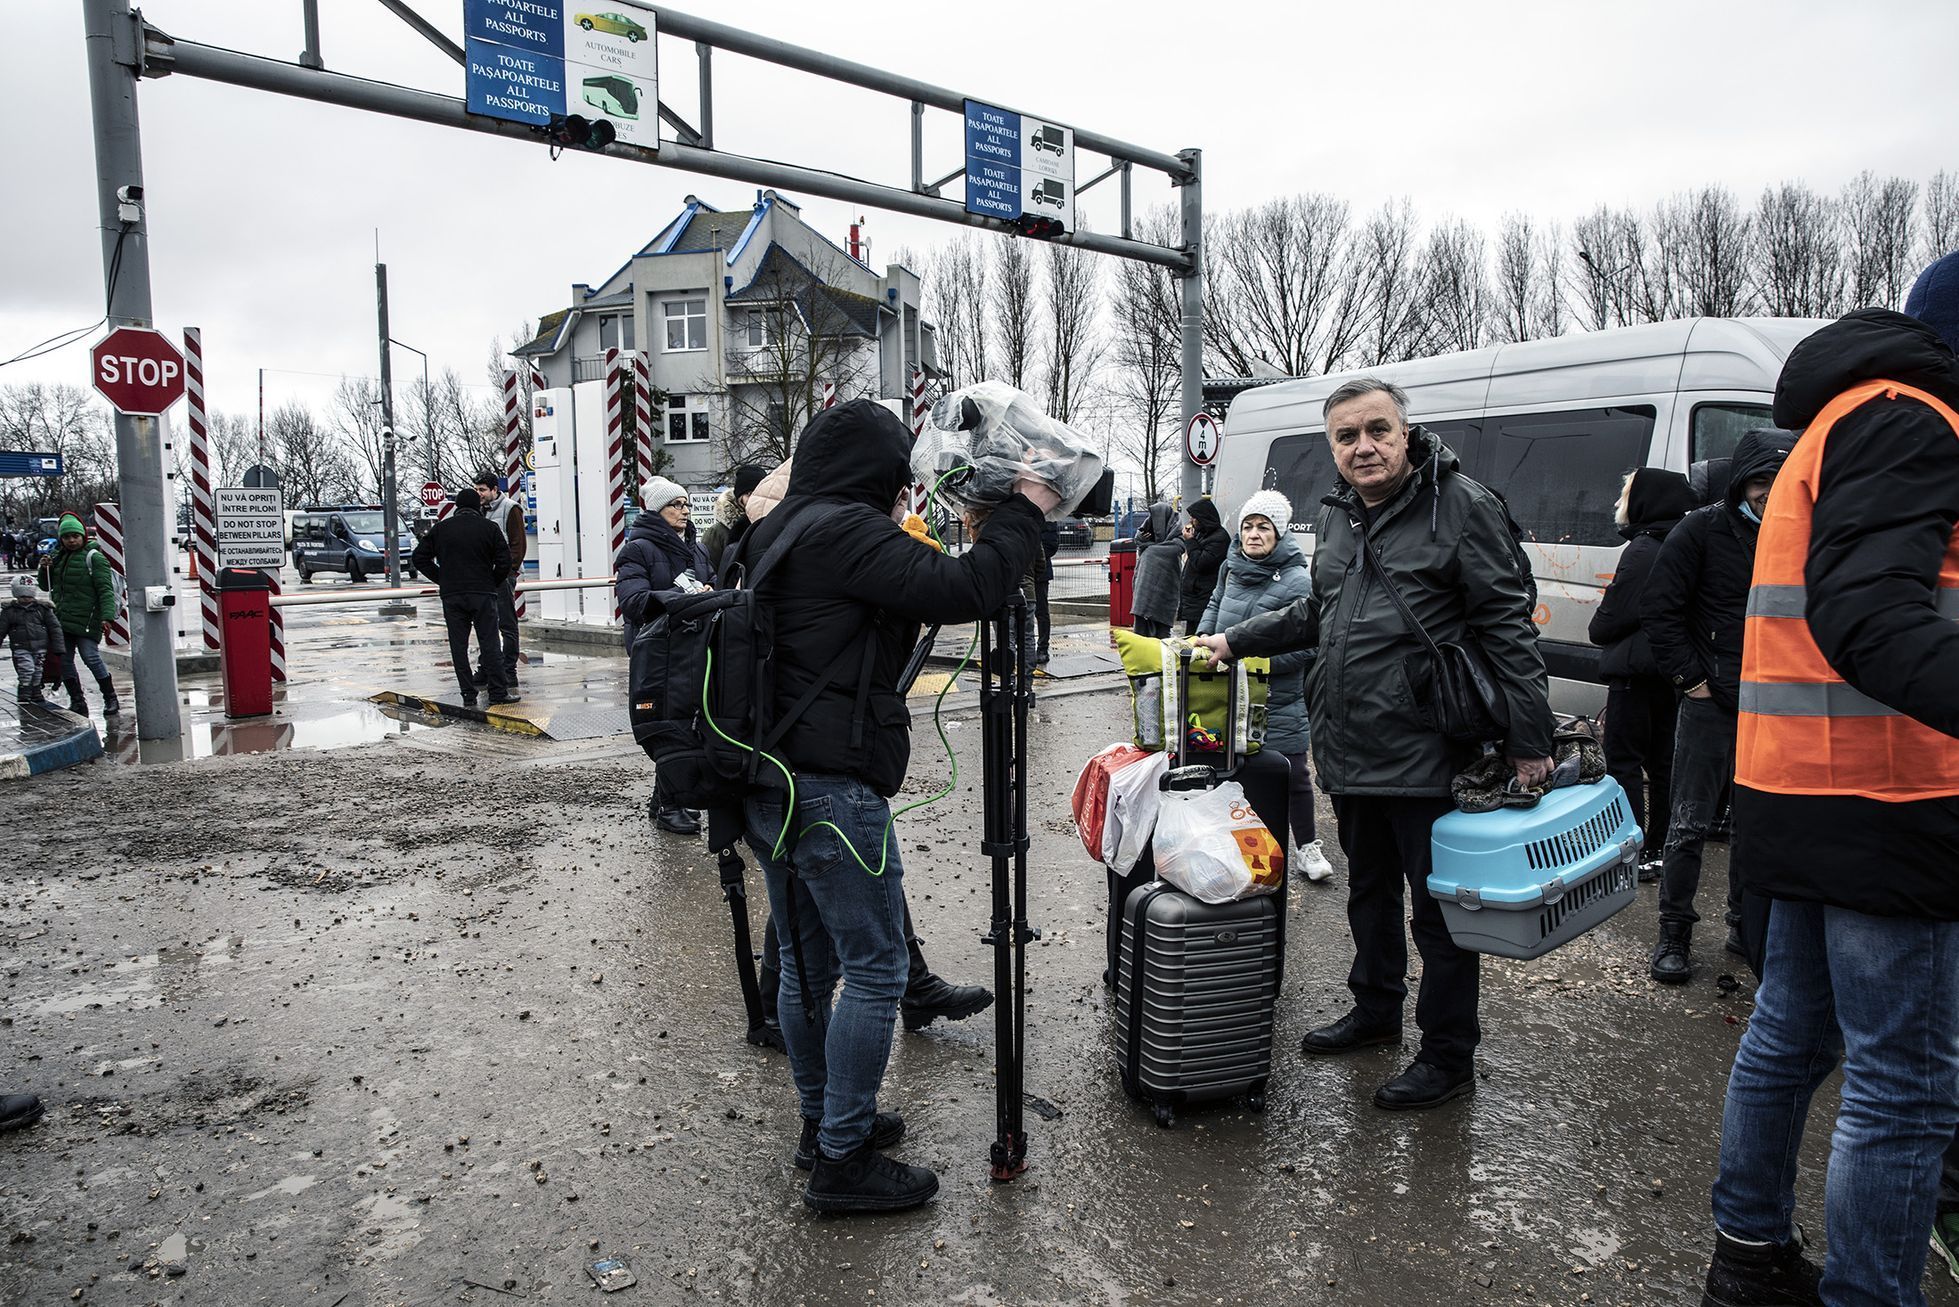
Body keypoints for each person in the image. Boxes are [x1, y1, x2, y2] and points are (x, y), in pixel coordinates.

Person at [1695, 278, 1959, 1305]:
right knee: (1902, 1087)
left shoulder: (1836, 421)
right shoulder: (1914, 420)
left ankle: (1748, 1259)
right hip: (1891, 794)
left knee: (1791, 1035)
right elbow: (1871, 620)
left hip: (1793, 783)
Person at [1193, 378, 1553, 1112]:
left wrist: (1527, 741)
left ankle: (1448, 1053)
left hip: (1429, 750)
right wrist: (1232, 638)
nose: (1363, 446)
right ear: (1332, 447)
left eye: (1376, 430)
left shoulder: (1460, 506)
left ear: (1405, 432)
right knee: (1367, 892)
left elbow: (1508, 629)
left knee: (1439, 913)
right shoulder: (1338, 517)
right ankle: (1375, 1009)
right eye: (1346, 435)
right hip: (1352, 749)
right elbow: (1318, 610)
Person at [738, 398, 1048, 1213]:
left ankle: (823, 1126)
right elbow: (970, 586)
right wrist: (1021, 509)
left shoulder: (775, 530)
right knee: (873, 969)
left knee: (807, 964)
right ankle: (842, 1159)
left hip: (769, 783)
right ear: (879, 469)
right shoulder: (844, 528)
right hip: (834, 788)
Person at [1639, 429, 1794, 984]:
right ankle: (1673, 933)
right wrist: (1691, 680)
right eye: (1759, 481)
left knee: (1755, 825)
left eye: (1780, 481)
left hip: (1773, 707)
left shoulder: (1800, 535)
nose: (1769, 493)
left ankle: (1742, 927)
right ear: (1740, 484)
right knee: (1688, 823)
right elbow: (1659, 609)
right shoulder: (1702, 528)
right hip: (1711, 704)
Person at [1197, 491, 1334, 883]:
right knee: (1230, 770)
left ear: (1280, 533)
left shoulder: (1298, 579)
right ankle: (1241, 849)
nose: (1253, 535)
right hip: (1225, 685)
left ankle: (1307, 847)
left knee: (1292, 773)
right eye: (1247, 526)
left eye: (1263, 527)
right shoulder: (1232, 566)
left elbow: (1309, 645)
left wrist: (1258, 664)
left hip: (1279, 695)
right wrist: (1203, 636)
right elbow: (1215, 603)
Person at [1587, 468, 1698, 881]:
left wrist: (1603, 623)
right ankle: (1661, 847)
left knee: (1625, 762)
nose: (1619, 504)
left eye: (1626, 494)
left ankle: (1627, 846)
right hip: (1670, 673)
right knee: (1664, 763)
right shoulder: (1685, 542)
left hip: (1634, 673)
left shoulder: (1643, 549)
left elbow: (1606, 623)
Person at [616, 475, 714, 836]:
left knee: (691, 722)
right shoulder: (637, 549)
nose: (684, 511)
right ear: (657, 510)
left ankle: (664, 798)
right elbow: (632, 601)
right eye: (676, 504)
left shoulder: (697, 548)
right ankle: (670, 803)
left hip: (693, 646)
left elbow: (713, 581)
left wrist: (709, 590)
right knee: (668, 725)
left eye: (687, 504)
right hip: (657, 649)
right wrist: (679, 596)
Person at [411, 488, 514, 709]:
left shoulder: (441, 529)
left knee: (459, 646)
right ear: (477, 507)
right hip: (483, 594)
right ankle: (498, 692)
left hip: (453, 595)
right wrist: (491, 581)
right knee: (490, 644)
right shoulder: (489, 528)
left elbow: (419, 558)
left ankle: (468, 694)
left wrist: (442, 578)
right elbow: (505, 561)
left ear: (457, 507)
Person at [36, 514, 119, 717]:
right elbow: (45, 586)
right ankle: (78, 701)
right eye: (67, 537)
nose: (71, 540)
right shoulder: (57, 558)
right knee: (64, 661)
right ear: (61, 539)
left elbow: (105, 590)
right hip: (62, 619)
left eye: (75, 536)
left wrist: (106, 617)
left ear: (82, 536)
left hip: (87, 618)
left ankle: (110, 697)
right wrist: (44, 568)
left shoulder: (94, 558)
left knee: (90, 656)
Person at [471, 472, 528, 693]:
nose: (479, 494)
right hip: (485, 576)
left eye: (482, 490)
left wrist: (508, 571)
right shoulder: (480, 512)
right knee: (486, 624)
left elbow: (517, 544)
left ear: (495, 489)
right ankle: (486, 667)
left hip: (502, 576)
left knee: (506, 623)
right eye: (476, 490)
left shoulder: (510, 508)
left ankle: (509, 669)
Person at [699, 464, 766, 586]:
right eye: (749, 494)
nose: (753, 499)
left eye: (758, 493)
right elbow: (708, 571)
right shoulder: (718, 532)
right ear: (739, 498)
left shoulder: (771, 524)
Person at [3, 575, 63, 704]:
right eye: (23, 597)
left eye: (29, 596)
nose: (26, 600)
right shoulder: (9, 612)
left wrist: (58, 647)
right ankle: (24, 691)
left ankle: (36, 691)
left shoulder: (43, 609)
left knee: (37, 670)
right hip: (20, 646)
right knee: (26, 669)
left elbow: (55, 628)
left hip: (40, 646)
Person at [1128, 500, 1183, 638]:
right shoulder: (1149, 545)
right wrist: (1141, 540)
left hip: (1164, 599)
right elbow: (1141, 550)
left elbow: (1176, 549)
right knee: (1141, 639)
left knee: (1162, 638)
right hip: (1143, 599)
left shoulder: (1176, 542)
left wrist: (1147, 546)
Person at [1177, 497, 1230, 638]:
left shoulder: (1219, 538)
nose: (1191, 521)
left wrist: (1190, 541)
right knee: (1190, 639)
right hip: (1195, 597)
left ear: (1203, 518)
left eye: (1194, 518)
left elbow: (1201, 563)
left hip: (1203, 597)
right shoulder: (1202, 534)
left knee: (1198, 638)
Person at [1034, 518, 1060, 667]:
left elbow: (1051, 545)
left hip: (1039, 572)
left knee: (1041, 611)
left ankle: (1042, 648)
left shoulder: (1047, 516)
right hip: (1021, 571)